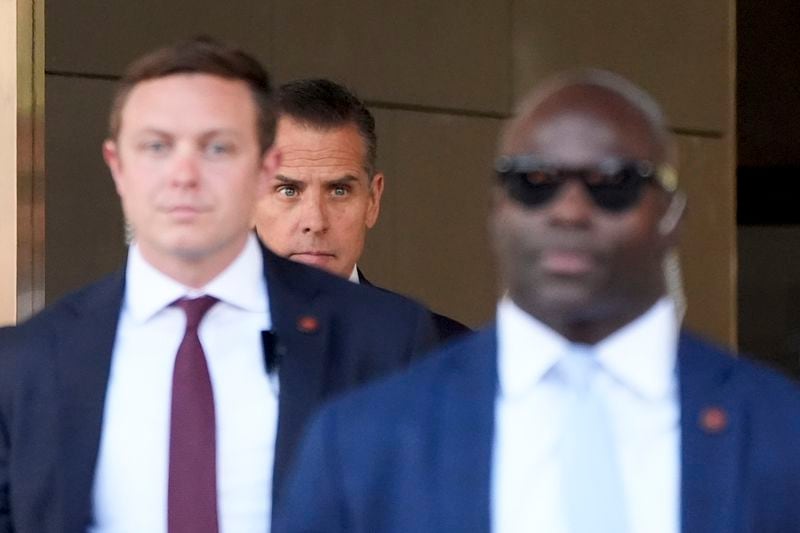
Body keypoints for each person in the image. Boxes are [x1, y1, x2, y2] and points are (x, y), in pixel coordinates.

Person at [274, 70, 800, 533]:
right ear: (496, 210)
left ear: (673, 215)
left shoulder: (778, 429)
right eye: (535, 183)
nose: (569, 211)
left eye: (613, 183)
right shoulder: (364, 435)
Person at [0, 38, 436, 533]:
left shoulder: (386, 340)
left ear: (262, 168)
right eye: (157, 146)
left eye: (218, 147)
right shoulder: (26, 364)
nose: (185, 175)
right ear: (118, 166)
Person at [253, 78, 470, 341]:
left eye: (339, 191)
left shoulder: (444, 350)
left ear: (373, 200)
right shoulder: (200, 344)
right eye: (289, 190)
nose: (315, 221)